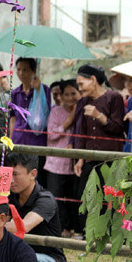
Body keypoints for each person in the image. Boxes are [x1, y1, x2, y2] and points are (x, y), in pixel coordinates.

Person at [4, 153, 67, 262]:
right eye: (7, 174)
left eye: (16, 174)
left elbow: (21, 227)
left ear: (33, 174)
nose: (10, 180)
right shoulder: (10, 196)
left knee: (17, 258)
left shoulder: (45, 199)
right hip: (21, 255)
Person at [71, 65, 126, 202]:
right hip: (90, 159)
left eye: (81, 84)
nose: (80, 88)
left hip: (110, 160)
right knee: (84, 198)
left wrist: (99, 116)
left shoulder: (114, 97)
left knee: (107, 201)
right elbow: (83, 132)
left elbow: (119, 129)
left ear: (93, 80)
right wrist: (80, 158)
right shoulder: (84, 101)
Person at [45, 80, 80, 237]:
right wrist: (67, 123)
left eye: (73, 93)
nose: (70, 97)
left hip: (74, 165)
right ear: (61, 96)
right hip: (56, 163)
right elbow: (51, 135)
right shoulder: (56, 111)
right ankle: (57, 229)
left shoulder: (82, 111)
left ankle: (70, 229)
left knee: (71, 200)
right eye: (66, 94)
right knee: (56, 198)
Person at [9, 58, 51, 161]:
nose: (21, 73)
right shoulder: (15, 93)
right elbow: (13, 118)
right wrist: (10, 139)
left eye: (25, 70)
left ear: (33, 71)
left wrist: (38, 90)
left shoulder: (44, 90)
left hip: (36, 141)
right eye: (18, 70)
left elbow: (46, 113)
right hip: (18, 139)